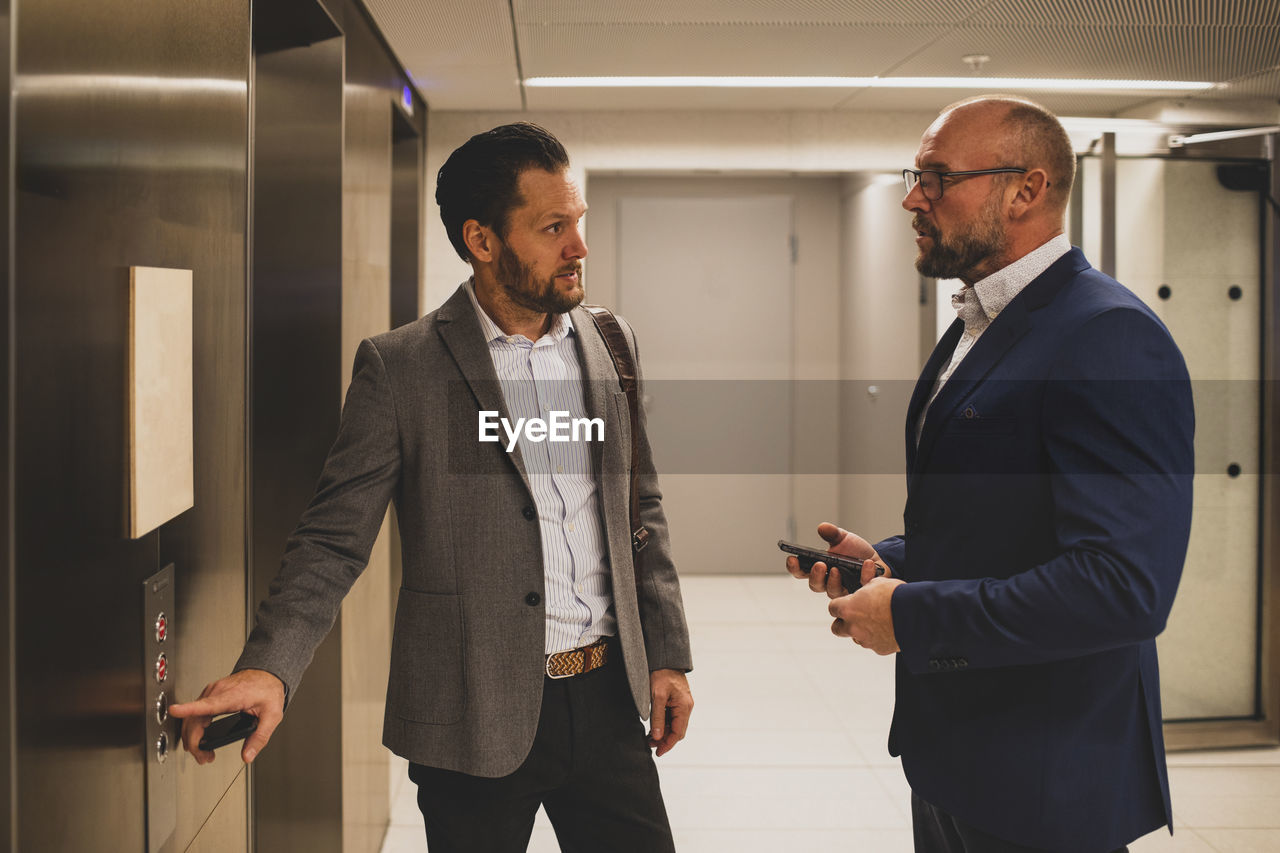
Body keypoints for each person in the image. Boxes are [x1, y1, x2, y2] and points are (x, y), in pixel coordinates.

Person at [172, 122, 694, 853]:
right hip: (470, 709)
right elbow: (332, 538)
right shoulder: (402, 368)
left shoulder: (611, 343)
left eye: (576, 222)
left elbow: (640, 507)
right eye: (552, 228)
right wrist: (270, 665)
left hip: (608, 697)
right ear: (482, 241)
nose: (578, 247)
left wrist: (667, 651)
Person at [786, 95, 1193, 853]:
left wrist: (909, 615)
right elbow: (1003, 525)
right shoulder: (983, 323)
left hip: (1045, 776)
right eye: (917, 176)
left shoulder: (1109, 337)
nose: (914, 197)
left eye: (938, 178)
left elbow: (1122, 587)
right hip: (957, 755)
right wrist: (888, 563)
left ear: (1027, 190)